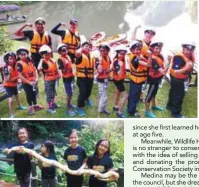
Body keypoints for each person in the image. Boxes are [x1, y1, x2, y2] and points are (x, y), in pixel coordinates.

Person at [166, 41, 196, 118]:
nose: (189, 52)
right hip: (176, 78)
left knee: (173, 91)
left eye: (191, 50)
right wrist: (186, 68)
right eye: (187, 49)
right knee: (179, 95)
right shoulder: (179, 57)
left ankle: (169, 106)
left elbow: (189, 68)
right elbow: (176, 71)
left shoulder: (190, 56)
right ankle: (175, 113)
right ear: (183, 49)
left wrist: (188, 77)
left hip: (181, 78)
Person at [127, 40, 152, 117]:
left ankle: (130, 109)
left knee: (133, 96)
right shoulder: (136, 60)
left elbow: (145, 61)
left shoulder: (136, 56)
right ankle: (131, 111)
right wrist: (150, 55)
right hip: (136, 81)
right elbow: (149, 65)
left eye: (139, 49)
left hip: (136, 80)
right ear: (132, 50)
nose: (138, 51)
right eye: (137, 50)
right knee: (134, 97)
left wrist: (142, 57)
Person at [16, 46, 44, 115]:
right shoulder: (19, 63)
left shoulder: (30, 61)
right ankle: (30, 108)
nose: (23, 56)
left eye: (24, 54)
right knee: (29, 95)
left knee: (34, 94)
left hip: (34, 81)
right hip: (26, 83)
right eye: (21, 54)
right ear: (19, 55)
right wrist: (29, 82)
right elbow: (20, 76)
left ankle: (35, 105)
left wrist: (37, 78)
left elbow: (35, 70)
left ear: (27, 54)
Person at [145, 41, 169, 118]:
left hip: (158, 78)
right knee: (149, 95)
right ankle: (147, 111)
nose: (158, 50)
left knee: (154, 93)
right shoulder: (153, 59)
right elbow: (163, 71)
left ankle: (154, 106)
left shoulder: (160, 56)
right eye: (156, 48)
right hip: (153, 79)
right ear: (152, 48)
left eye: (159, 48)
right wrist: (169, 62)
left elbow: (162, 67)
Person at [132, 26, 156, 102]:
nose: (149, 35)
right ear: (145, 33)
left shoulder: (152, 45)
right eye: (148, 33)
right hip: (140, 64)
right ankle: (137, 96)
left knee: (145, 81)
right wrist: (135, 29)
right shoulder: (140, 42)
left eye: (151, 34)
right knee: (139, 80)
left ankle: (141, 96)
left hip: (148, 65)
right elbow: (132, 39)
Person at [3, 52, 26, 118]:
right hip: (8, 85)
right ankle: (12, 114)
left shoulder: (16, 65)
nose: (12, 60)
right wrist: (14, 75)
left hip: (14, 84)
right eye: (10, 59)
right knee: (11, 100)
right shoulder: (6, 68)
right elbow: (8, 80)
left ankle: (19, 106)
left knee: (16, 95)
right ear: (7, 59)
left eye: (13, 58)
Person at [38, 45, 60, 114]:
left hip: (54, 79)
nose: (47, 56)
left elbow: (56, 69)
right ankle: (50, 108)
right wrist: (41, 61)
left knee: (53, 92)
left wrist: (58, 75)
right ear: (42, 55)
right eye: (46, 55)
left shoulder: (53, 60)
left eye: (48, 54)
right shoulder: (43, 62)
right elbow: (39, 68)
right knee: (49, 94)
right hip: (48, 80)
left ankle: (53, 104)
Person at [75, 41, 95, 116]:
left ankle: (87, 99)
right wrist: (81, 49)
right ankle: (79, 107)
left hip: (90, 77)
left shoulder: (92, 56)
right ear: (82, 47)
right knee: (82, 93)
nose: (88, 48)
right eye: (86, 46)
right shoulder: (80, 55)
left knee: (88, 91)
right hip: (82, 78)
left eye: (89, 47)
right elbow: (77, 53)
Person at [57, 43, 76, 116]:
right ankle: (68, 108)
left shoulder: (68, 56)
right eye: (63, 50)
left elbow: (71, 65)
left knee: (72, 91)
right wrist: (65, 66)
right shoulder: (60, 59)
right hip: (66, 78)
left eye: (66, 50)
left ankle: (70, 104)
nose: (65, 51)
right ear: (59, 52)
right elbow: (62, 70)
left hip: (71, 77)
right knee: (69, 93)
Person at [96, 43, 112, 118]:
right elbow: (99, 70)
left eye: (104, 51)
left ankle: (103, 109)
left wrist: (110, 69)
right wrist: (99, 65)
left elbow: (109, 65)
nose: (102, 52)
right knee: (103, 96)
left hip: (106, 79)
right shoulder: (98, 59)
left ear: (108, 51)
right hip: (101, 80)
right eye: (101, 50)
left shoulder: (108, 57)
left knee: (104, 95)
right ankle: (99, 113)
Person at [112, 45, 128, 118]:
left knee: (117, 92)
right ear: (117, 53)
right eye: (121, 53)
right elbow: (119, 73)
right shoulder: (117, 62)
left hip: (119, 79)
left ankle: (115, 106)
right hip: (118, 80)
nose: (122, 55)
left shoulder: (121, 60)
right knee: (125, 96)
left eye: (124, 53)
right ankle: (119, 112)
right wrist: (121, 66)